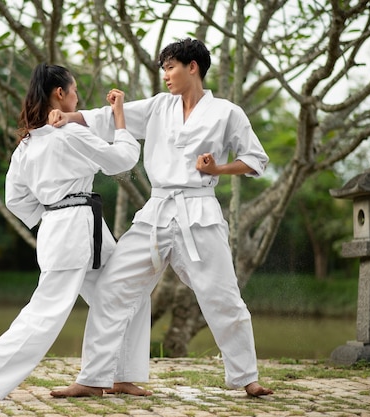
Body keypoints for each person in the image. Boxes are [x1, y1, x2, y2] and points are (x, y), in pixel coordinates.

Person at [49, 38, 274, 398]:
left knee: (223, 297)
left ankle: (247, 378)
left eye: (170, 67)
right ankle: (93, 378)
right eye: (164, 68)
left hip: (199, 213)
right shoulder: (158, 107)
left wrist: (219, 167)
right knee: (112, 289)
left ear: (192, 67)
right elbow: (107, 119)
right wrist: (69, 116)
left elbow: (256, 160)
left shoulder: (227, 112)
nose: (165, 75)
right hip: (155, 214)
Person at [0, 63, 144, 400]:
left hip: (70, 224)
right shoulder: (69, 132)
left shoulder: (26, 145)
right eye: (74, 91)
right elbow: (122, 160)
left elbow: (15, 199)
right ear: (60, 93)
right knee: (48, 309)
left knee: (130, 288)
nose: (78, 97)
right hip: (73, 225)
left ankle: (120, 375)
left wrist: (53, 210)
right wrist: (120, 118)